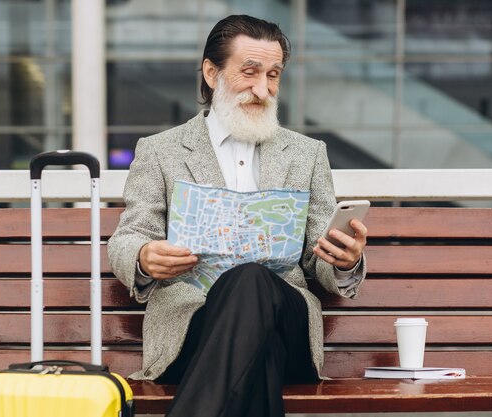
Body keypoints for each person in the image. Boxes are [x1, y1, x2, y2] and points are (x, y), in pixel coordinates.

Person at [107, 14, 368, 417]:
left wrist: (345, 259)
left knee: (250, 280)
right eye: (250, 72)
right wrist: (144, 256)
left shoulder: (306, 153)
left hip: (288, 322)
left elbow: (320, 256)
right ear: (211, 73)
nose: (263, 89)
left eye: (273, 74)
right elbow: (130, 235)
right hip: (192, 323)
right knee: (255, 361)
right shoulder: (161, 150)